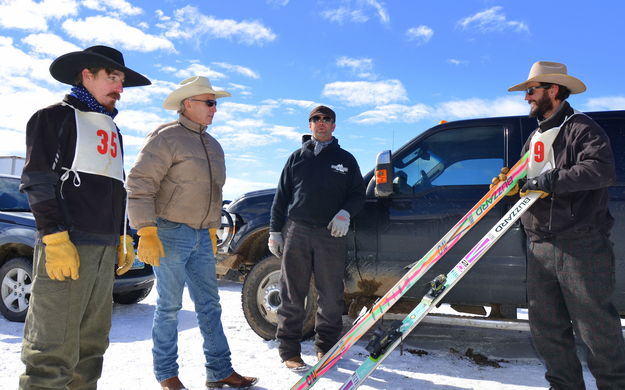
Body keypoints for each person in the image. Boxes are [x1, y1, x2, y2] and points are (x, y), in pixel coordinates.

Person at [19, 45, 151, 389]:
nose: (120, 87)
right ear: (86, 76)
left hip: (104, 250)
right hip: (67, 247)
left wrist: (123, 235)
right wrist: (54, 237)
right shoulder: (53, 118)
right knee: (50, 353)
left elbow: (115, 187)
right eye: (112, 77)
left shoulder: (112, 130)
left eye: (122, 80)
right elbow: (37, 181)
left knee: (91, 349)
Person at [126, 76, 257, 390]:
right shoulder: (165, 138)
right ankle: (167, 374)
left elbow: (213, 192)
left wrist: (212, 227)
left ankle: (219, 370)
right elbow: (139, 184)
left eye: (216, 103)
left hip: (201, 236)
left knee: (210, 305)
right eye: (209, 102)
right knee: (169, 307)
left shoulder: (212, 144)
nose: (215, 109)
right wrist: (146, 230)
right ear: (188, 104)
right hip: (168, 232)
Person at [502, 61, 625, 389]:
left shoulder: (582, 128)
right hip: (540, 244)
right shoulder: (535, 137)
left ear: (553, 90)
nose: (526, 97)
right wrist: (509, 183)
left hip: (580, 244)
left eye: (531, 90)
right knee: (547, 330)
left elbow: (601, 170)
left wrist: (548, 180)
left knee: (596, 329)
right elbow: (527, 184)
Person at [268, 105, 365, 370]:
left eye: (326, 119)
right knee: (292, 293)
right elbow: (281, 197)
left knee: (331, 294)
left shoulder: (346, 160)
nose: (321, 123)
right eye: (315, 119)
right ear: (309, 125)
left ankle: (327, 348)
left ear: (334, 125)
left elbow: (358, 194)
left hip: (330, 235)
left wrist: (346, 213)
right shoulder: (296, 158)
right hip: (296, 231)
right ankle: (289, 351)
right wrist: (275, 231)